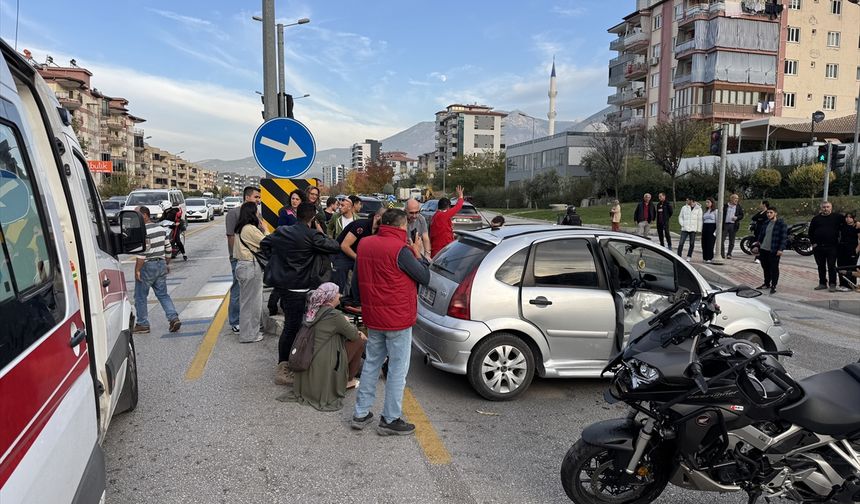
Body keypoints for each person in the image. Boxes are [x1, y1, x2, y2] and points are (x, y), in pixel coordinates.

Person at [351, 209, 430, 436]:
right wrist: (418, 254)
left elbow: (357, 280)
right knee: (397, 369)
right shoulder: (401, 250)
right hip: (397, 319)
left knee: (372, 363)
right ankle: (390, 418)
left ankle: (361, 413)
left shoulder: (365, 243)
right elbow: (424, 277)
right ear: (400, 226)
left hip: (374, 316)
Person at [261, 203, 341, 386]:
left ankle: (293, 362)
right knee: (292, 327)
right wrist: (320, 231)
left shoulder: (282, 231)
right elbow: (334, 246)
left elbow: (264, 244)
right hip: (299, 287)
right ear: (312, 218)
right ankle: (283, 368)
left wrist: (278, 261)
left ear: (296, 214)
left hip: (283, 285)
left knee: (294, 325)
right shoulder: (312, 235)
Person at [283, 283, 368, 411]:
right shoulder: (334, 316)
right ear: (331, 298)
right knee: (359, 341)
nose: (340, 295)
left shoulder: (312, 309)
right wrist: (352, 327)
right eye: (337, 293)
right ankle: (348, 379)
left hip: (305, 360)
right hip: (321, 364)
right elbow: (353, 335)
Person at [133, 206, 181, 334]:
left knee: (140, 296)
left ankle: (142, 324)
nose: (134, 217)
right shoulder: (161, 229)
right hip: (161, 264)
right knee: (163, 294)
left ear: (145, 215)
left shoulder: (142, 231)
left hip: (147, 266)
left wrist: (137, 270)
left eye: (136, 214)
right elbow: (168, 248)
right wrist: (166, 263)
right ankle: (173, 318)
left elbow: (142, 253)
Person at [225, 186, 262, 333]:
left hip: (253, 258)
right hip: (239, 258)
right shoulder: (233, 213)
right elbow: (230, 236)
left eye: (259, 198)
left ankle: (251, 321)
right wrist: (236, 255)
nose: (258, 200)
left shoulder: (256, 213)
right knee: (237, 289)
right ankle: (235, 320)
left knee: (252, 292)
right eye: (256, 197)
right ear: (247, 197)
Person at [335, 207, 386, 303]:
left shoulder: (379, 231)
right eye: (385, 219)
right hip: (343, 253)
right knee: (341, 274)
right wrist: (359, 259)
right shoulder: (361, 225)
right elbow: (344, 246)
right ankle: (336, 301)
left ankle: (356, 300)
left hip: (359, 256)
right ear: (377, 216)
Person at [233, 202, 266, 343]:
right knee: (252, 303)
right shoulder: (250, 229)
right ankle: (248, 335)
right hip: (250, 266)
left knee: (246, 301)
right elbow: (267, 242)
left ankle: (249, 332)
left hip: (242, 266)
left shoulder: (240, 228)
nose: (258, 214)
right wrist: (265, 229)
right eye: (256, 211)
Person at [809, 201, 843, 292]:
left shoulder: (837, 217)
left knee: (831, 266)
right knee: (821, 266)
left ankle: (832, 284)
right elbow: (810, 232)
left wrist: (857, 223)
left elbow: (849, 220)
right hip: (819, 247)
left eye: (828, 207)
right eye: (824, 207)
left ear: (831, 208)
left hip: (832, 246)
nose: (826, 209)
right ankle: (822, 283)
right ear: (821, 208)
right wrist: (813, 243)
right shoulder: (816, 219)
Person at [756, 206, 788, 295]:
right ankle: (766, 283)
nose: (769, 214)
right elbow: (761, 235)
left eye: (771, 212)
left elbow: (783, 238)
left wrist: (781, 249)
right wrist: (758, 244)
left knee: (774, 268)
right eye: (767, 212)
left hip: (774, 249)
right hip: (764, 249)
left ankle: (774, 285)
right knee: (765, 267)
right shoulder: (766, 223)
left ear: (775, 213)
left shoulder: (781, 224)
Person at [429, 185, 465, 257]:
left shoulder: (435, 216)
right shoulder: (443, 215)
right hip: (442, 249)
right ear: (448, 207)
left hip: (436, 248)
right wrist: (461, 197)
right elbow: (458, 207)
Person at [836, 212, 858, 291]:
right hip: (842, 249)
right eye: (846, 217)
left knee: (851, 267)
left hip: (852, 249)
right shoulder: (842, 226)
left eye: (850, 217)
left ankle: (851, 285)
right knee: (841, 266)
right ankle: (842, 284)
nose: (848, 219)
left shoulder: (857, 227)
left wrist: (856, 251)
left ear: (853, 218)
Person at [676, 197, 702, 262]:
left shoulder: (698, 209)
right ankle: (678, 256)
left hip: (693, 229)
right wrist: (683, 224)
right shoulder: (684, 208)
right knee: (681, 243)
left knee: (692, 244)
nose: (686, 201)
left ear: (691, 201)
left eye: (687, 200)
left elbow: (699, 219)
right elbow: (680, 217)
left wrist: (699, 229)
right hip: (685, 228)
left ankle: (689, 256)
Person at [721, 193, 744, 259]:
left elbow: (741, 215)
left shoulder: (738, 206)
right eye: (735, 198)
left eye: (737, 198)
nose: (737, 200)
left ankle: (729, 253)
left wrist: (737, 217)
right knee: (721, 240)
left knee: (732, 241)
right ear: (731, 199)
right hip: (725, 225)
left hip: (733, 225)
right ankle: (722, 254)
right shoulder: (725, 206)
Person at [701, 197, 718, 263]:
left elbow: (717, 221)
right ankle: (705, 257)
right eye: (706, 202)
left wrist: (715, 231)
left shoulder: (715, 211)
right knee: (704, 243)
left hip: (712, 227)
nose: (707, 203)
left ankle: (710, 257)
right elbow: (703, 220)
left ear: (712, 203)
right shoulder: (705, 211)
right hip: (705, 227)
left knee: (710, 243)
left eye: (708, 202)